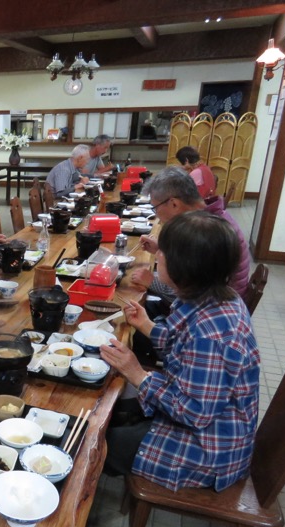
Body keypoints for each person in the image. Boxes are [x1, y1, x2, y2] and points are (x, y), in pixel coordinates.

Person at [100, 211, 260, 492]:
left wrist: (138, 374)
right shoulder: (216, 295)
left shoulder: (211, 335)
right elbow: (185, 348)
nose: (158, 256)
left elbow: (194, 413)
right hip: (213, 426)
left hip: (208, 451)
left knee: (94, 442)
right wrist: (147, 326)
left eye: (163, 252)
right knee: (108, 409)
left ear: (184, 266)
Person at [132, 166, 250, 298]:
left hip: (216, 302)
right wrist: (164, 251)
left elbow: (191, 294)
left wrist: (151, 282)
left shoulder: (207, 231)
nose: (157, 215)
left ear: (174, 204)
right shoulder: (209, 218)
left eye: (155, 208)